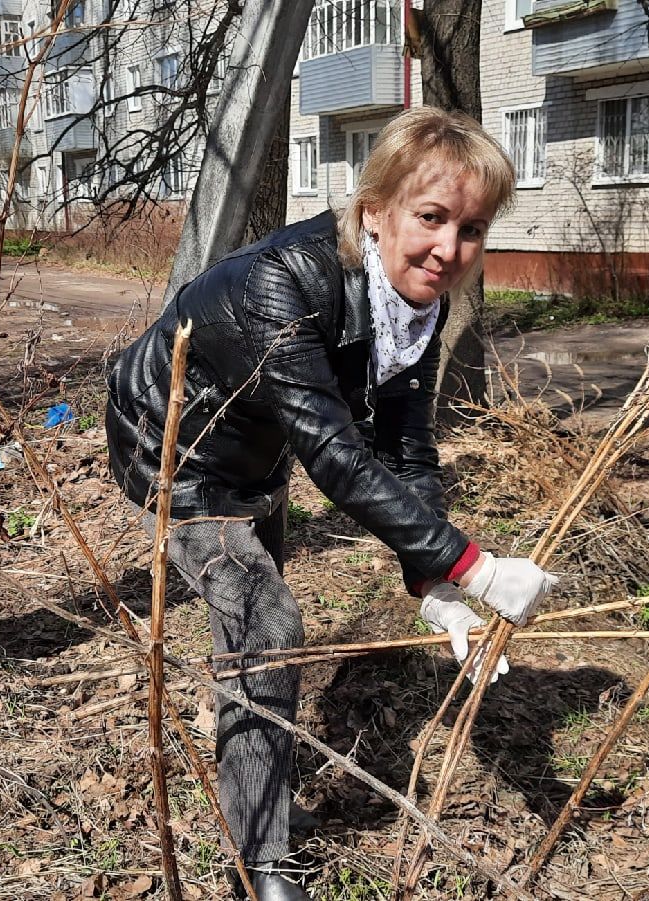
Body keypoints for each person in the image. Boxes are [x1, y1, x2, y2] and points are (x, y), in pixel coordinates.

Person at [105, 107, 557, 901]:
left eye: (473, 228)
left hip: (258, 448)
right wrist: (474, 565)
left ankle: (258, 797)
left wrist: (434, 581)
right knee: (267, 624)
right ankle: (261, 859)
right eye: (430, 218)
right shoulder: (284, 282)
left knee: (253, 642)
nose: (450, 250)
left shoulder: (417, 300)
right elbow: (339, 458)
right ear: (373, 209)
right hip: (175, 446)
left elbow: (407, 446)